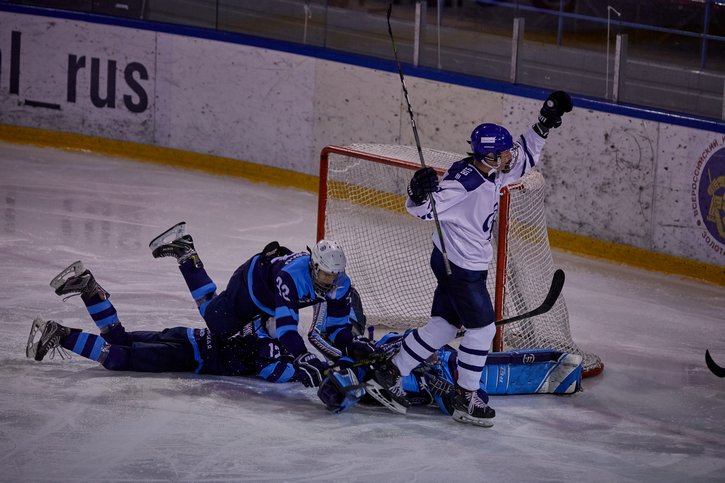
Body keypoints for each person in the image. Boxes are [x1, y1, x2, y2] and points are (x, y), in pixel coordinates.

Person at [364, 91, 574, 426]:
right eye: (504, 151)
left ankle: (390, 373)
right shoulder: (465, 184)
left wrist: (544, 124)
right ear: (490, 156)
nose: (510, 155)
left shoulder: (492, 170)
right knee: (483, 330)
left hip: (450, 261)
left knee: (443, 326)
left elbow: (525, 156)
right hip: (461, 270)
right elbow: (424, 210)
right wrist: (417, 192)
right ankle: (466, 397)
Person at [26, 260, 322, 385]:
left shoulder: (258, 317)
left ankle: (90, 290)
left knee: (118, 340)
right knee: (116, 358)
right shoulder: (269, 347)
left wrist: (301, 361)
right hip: (185, 356)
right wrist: (302, 373)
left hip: (188, 336)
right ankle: (60, 334)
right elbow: (272, 371)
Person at [149, 222, 366, 387]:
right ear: (314, 266)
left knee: (256, 333)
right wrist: (301, 355)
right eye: (325, 274)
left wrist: (351, 346)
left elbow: (337, 327)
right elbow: (287, 328)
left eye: (335, 274)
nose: (330, 280)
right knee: (216, 322)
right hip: (251, 287)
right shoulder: (290, 276)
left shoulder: (340, 283)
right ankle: (186, 253)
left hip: (271, 299)